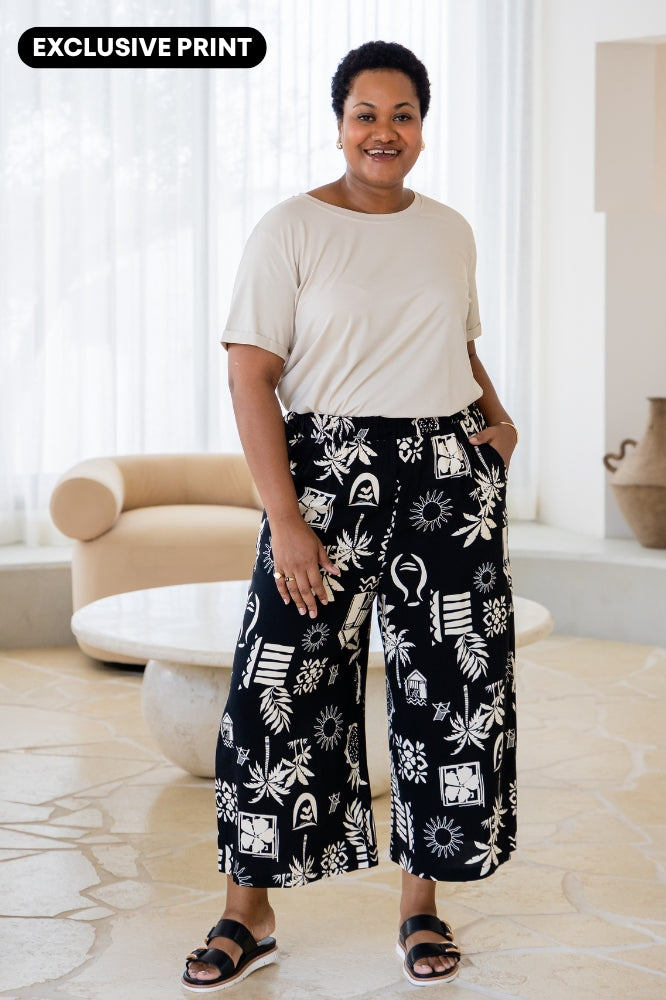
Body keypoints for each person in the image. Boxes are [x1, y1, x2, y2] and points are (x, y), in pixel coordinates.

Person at [182, 39, 518, 992]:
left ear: (422, 125)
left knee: (450, 694)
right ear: (339, 124)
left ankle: (422, 904)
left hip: (448, 476)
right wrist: (285, 520)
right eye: (366, 114)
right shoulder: (290, 228)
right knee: (274, 692)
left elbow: (455, 340)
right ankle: (249, 911)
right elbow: (251, 375)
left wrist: (496, 418)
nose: (385, 132)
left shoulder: (449, 229)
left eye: (402, 114)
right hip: (326, 475)